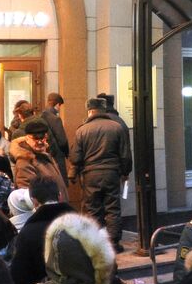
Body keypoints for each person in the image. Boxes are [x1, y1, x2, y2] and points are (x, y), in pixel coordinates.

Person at [69, 98, 132, 251]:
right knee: (113, 209)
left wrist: (74, 173)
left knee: (93, 209)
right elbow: (125, 155)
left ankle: (95, 244)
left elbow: (76, 157)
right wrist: (125, 172)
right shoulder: (117, 127)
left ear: (90, 111)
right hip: (111, 173)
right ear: (104, 110)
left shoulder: (82, 130)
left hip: (90, 175)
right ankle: (113, 243)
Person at [9, 178, 77, 284]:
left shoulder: (28, 233)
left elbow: (20, 276)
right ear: (60, 196)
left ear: (34, 202)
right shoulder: (82, 224)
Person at [9, 117, 68, 204]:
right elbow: (28, 195)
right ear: (27, 139)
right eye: (35, 138)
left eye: (42, 138)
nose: (40, 142)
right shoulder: (24, 161)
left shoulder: (44, 155)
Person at [39, 93, 71, 183]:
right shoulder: (55, 118)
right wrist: (67, 153)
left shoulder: (41, 116)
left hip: (45, 155)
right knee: (60, 182)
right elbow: (62, 141)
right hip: (57, 156)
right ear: (57, 105)